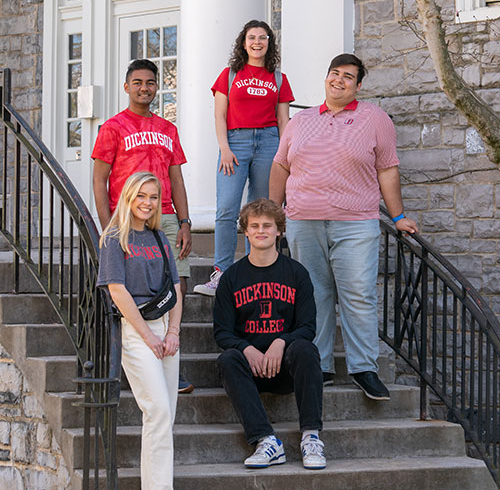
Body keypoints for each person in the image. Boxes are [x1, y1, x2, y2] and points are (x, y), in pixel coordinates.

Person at [269, 53, 419, 401]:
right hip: (303, 220)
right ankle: (318, 366)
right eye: (334, 73)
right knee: (313, 295)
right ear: (326, 78)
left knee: (358, 293)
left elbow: (387, 169)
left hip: (355, 222)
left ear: (358, 85)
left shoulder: (375, 119)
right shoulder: (300, 120)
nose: (339, 80)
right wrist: (274, 213)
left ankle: (363, 367)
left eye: (348, 76)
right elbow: (280, 166)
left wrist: (397, 217)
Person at [92, 59, 193, 393]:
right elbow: (99, 180)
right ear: (126, 87)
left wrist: (184, 221)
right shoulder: (112, 127)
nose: (144, 88)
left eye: (150, 83)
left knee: (175, 285)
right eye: (137, 82)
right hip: (128, 218)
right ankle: (132, 363)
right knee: (130, 289)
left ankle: (170, 363)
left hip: (163, 216)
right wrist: (110, 229)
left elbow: (176, 179)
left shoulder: (168, 129)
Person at [214, 198, 326, 470]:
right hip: (250, 371)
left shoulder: (296, 273)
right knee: (228, 359)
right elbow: (222, 332)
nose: (261, 230)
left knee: (305, 349)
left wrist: (281, 342)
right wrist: (246, 348)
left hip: (286, 368)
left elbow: (308, 327)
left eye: (268, 225)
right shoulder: (231, 277)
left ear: (279, 231)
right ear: (246, 231)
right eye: (254, 226)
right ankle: (266, 441)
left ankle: (311, 437)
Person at [194, 20, 294, 296]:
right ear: (243, 42)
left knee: (262, 210)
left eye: (263, 37)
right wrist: (225, 148)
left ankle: (256, 272)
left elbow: (284, 119)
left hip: (269, 143)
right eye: (252, 37)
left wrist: (284, 153)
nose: (257, 42)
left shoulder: (278, 78)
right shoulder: (229, 75)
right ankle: (222, 273)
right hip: (235, 143)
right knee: (226, 209)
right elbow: (219, 115)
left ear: (269, 43)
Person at [97, 172, 181, 490]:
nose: (147, 203)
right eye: (141, 195)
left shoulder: (159, 237)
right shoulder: (115, 237)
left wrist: (172, 332)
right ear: (129, 196)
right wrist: (148, 336)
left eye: (154, 197)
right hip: (136, 330)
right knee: (157, 409)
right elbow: (117, 291)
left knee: (164, 418)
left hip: (165, 329)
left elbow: (176, 288)